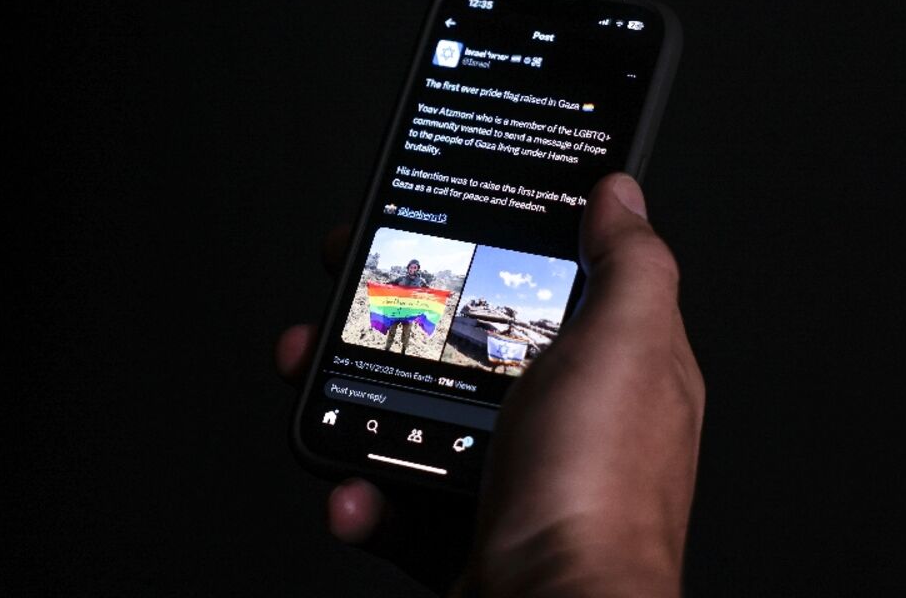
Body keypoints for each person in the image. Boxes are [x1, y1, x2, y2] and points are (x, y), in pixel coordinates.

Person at [275, 173, 705, 597]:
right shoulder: (409, 281)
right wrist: (583, 560)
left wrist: (580, 557)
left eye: (411, 266)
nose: (410, 268)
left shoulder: (425, 282)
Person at [383, 258, 428, 354]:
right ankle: (387, 348)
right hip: (397, 309)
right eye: (411, 267)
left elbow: (430, 292)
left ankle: (403, 350)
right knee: (392, 330)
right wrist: (376, 285)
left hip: (409, 312)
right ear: (408, 268)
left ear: (417, 269)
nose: (412, 269)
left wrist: (445, 294)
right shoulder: (401, 278)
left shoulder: (421, 282)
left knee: (406, 333)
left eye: (415, 267)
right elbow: (390, 284)